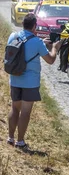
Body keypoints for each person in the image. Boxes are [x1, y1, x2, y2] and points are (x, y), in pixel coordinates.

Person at [6, 13, 60, 150]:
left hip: (15, 78)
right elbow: (50, 60)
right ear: (35, 26)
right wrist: (54, 48)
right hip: (30, 82)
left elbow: (23, 45)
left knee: (14, 108)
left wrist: (41, 42)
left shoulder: (13, 36)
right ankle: (20, 141)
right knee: (25, 112)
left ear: (23, 24)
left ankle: (10, 137)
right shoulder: (37, 42)